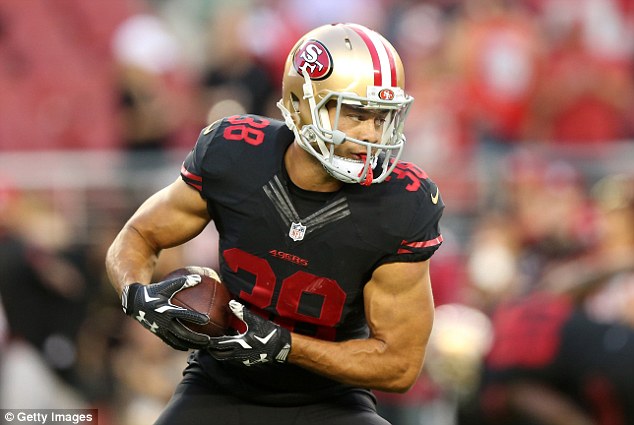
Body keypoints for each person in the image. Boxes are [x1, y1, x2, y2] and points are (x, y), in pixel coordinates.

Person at [105, 23, 444, 425]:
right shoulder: (235, 153)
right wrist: (136, 293)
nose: (373, 135)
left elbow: (399, 366)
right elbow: (138, 236)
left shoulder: (401, 202)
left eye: (383, 117)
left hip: (332, 401)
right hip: (221, 385)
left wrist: (285, 346)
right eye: (356, 114)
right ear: (302, 103)